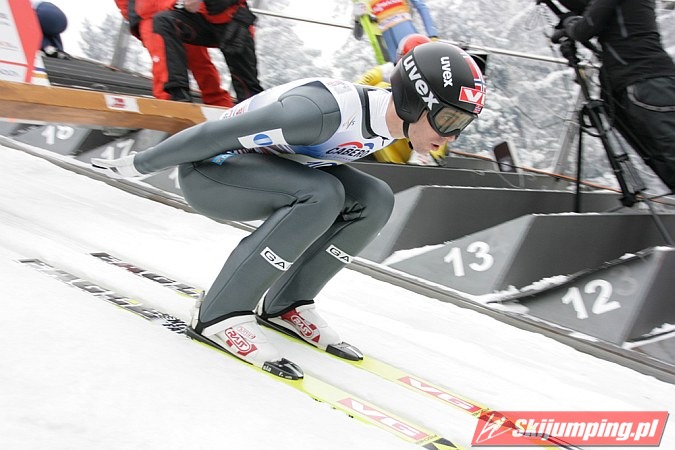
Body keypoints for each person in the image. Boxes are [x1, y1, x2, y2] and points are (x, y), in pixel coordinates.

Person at [91, 42, 486, 379]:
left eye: (463, 123)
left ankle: (286, 305)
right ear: (415, 100)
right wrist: (139, 164)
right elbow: (215, 133)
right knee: (322, 193)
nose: (451, 135)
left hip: (266, 169)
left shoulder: (388, 120)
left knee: (376, 199)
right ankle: (219, 314)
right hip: (208, 173)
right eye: (448, 119)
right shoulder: (321, 112)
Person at [553, 0, 675, 193]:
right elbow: (592, 8)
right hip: (647, 83)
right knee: (661, 157)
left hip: (645, 84)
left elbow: (585, 29)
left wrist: (569, 23)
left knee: (667, 153)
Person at [113, 0, 233, 106]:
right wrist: (135, 15)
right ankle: (170, 103)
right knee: (164, 63)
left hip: (177, 11)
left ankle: (219, 104)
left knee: (200, 62)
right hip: (150, 16)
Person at [355, 33, 444, 165]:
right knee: (384, 92)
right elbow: (356, 89)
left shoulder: (435, 80)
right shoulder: (383, 73)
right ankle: (393, 163)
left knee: (443, 105)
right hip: (390, 141)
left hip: (422, 144)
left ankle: (427, 155)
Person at [152, 0, 263, 103]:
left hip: (234, 24)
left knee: (247, 85)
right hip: (205, 21)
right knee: (165, 20)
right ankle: (179, 95)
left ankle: (255, 110)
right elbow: (191, 6)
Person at [354, 0, 438, 62]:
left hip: (411, 45)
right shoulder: (365, 1)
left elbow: (421, 6)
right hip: (390, 57)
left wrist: (432, 35)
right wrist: (357, 18)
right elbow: (358, 36)